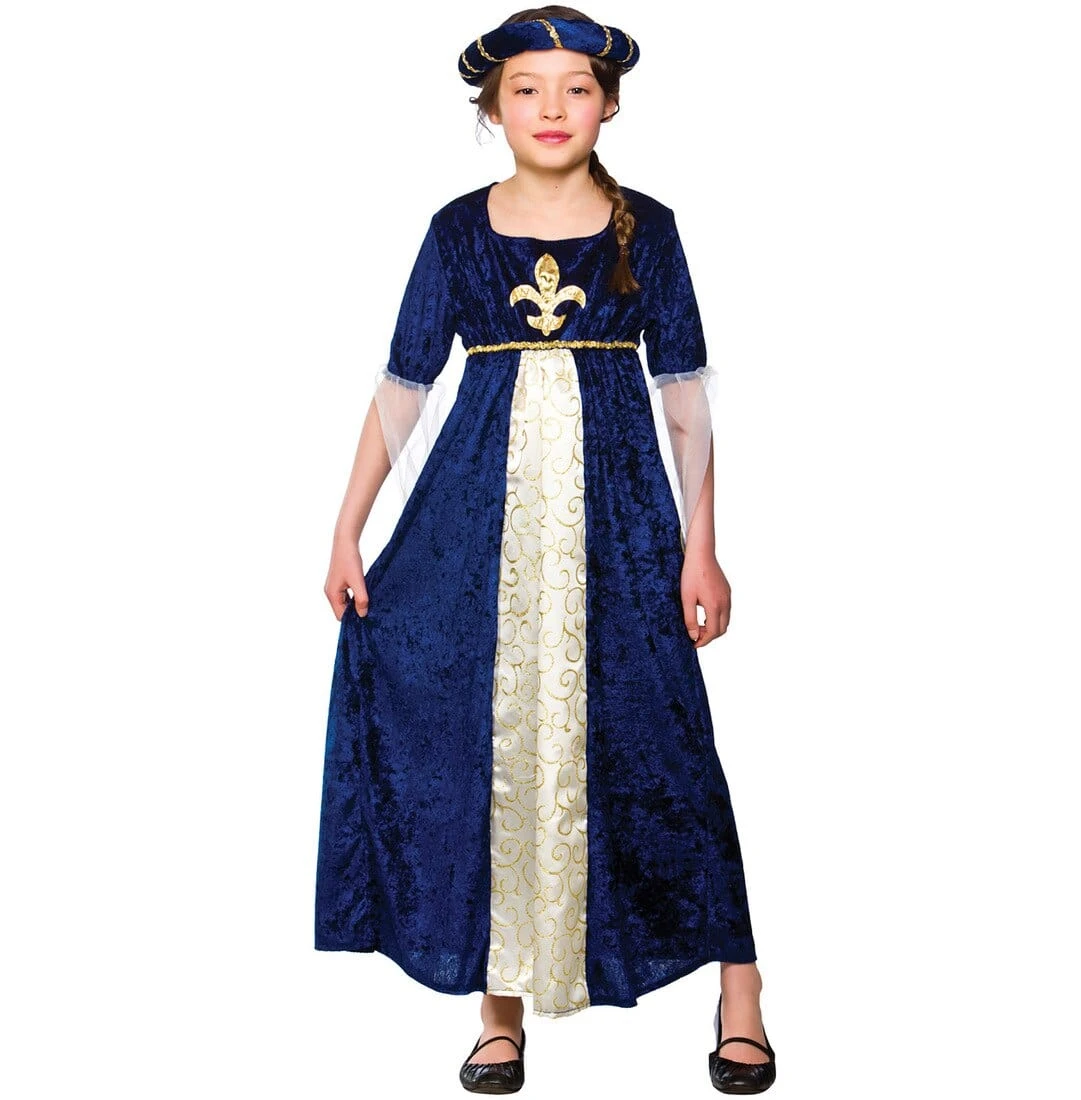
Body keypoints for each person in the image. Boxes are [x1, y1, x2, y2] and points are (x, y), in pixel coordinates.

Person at [315, 7, 777, 1094]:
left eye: (575, 88)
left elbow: (684, 399)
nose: (552, 108)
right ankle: (498, 1008)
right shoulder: (456, 232)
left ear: (607, 105)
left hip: (621, 530)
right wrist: (346, 528)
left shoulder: (645, 229)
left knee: (663, 738)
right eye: (526, 89)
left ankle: (742, 985)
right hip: (478, 524)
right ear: (494, 109)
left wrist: (701, 547)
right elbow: (404, 386)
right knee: (485, 737)